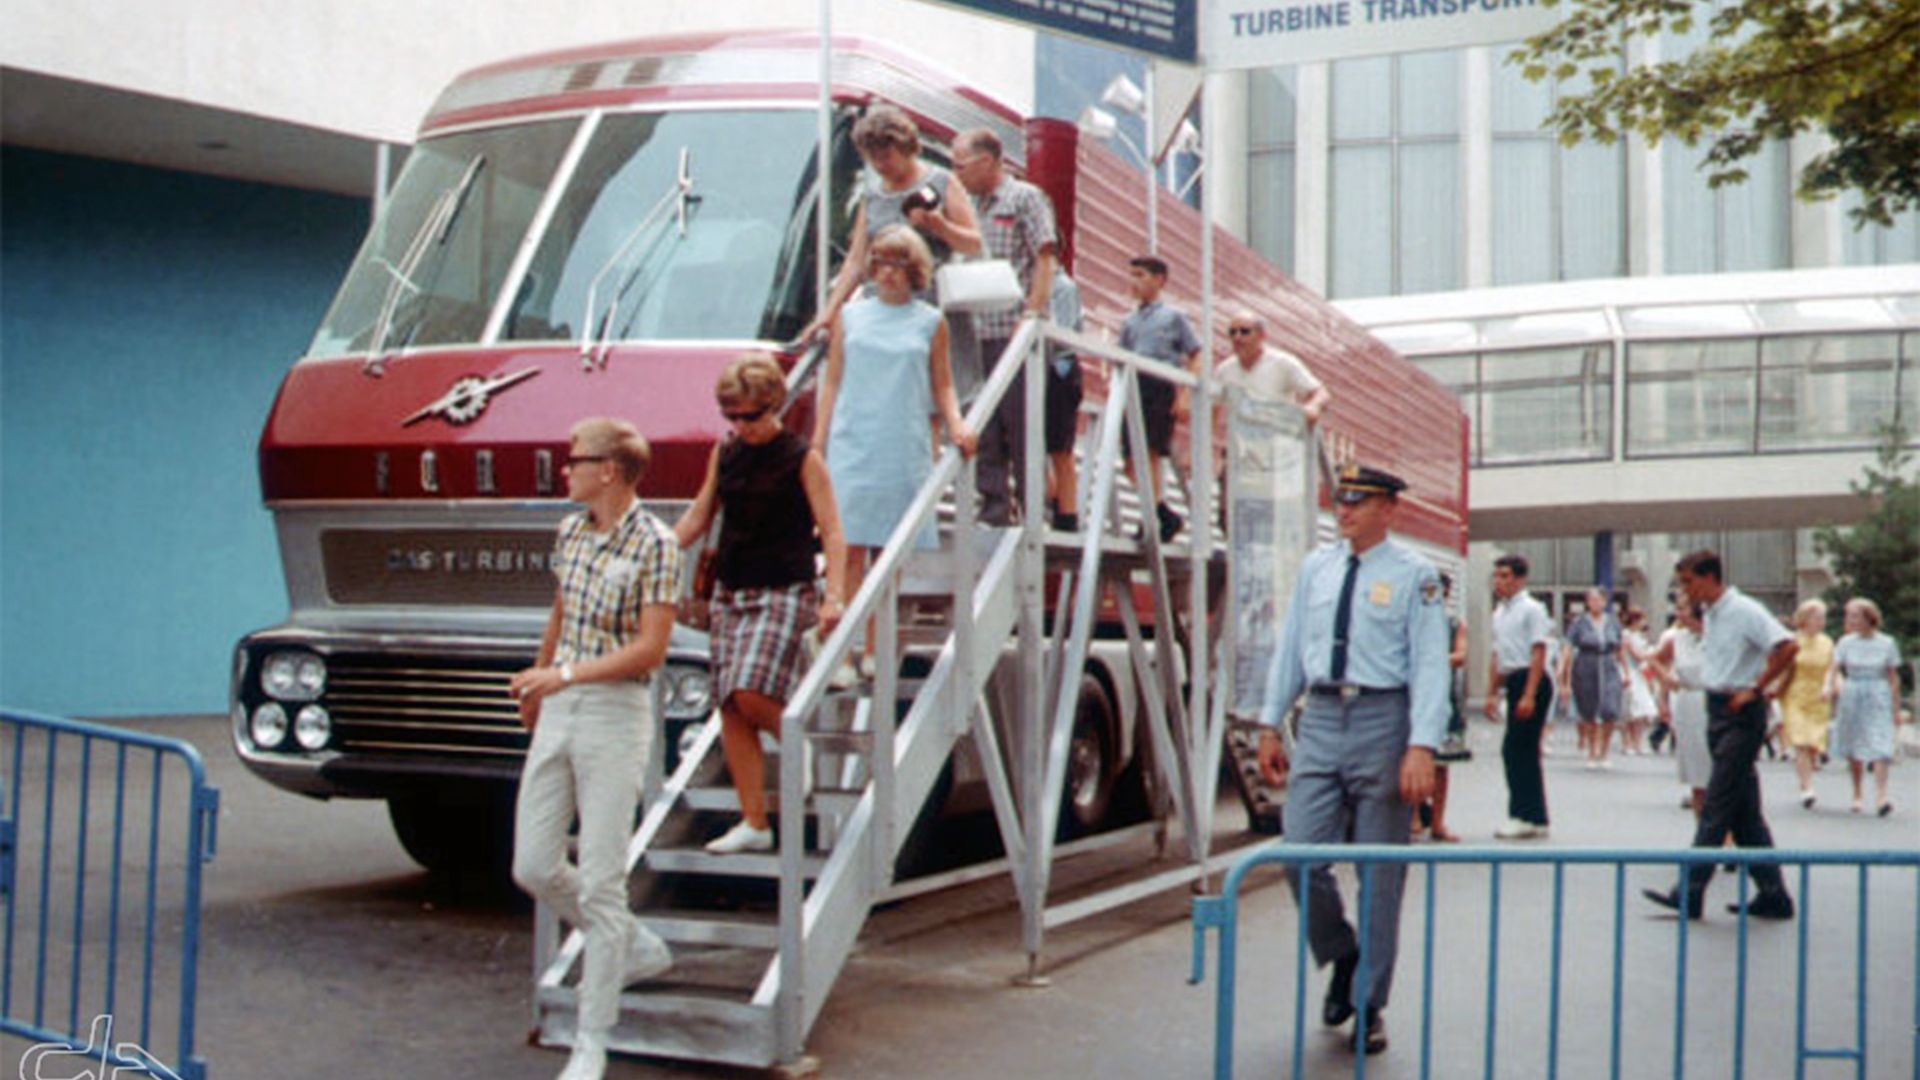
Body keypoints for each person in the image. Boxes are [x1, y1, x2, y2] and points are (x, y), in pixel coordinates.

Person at [1255, 464, 1448, 1056]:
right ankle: (1342, 954)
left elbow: (1431, 664)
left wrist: (1421, 745)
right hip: (1319, 719)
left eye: (1359, 503)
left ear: (1390, 509)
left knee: (1379, 875)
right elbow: (1292, 647)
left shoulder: (1417, 578)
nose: (1344, 512)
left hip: (1383, 721)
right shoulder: (1317, 568)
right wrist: (1268, 723)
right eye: (1341, 502)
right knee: (1299, 854)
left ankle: (1369, 1004)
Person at [509, 417, 680, 1080]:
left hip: (615, 710)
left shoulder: (658, 544)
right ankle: (633, 944)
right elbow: (562, 607)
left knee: (604, 881)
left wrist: (568, 675)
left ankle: (592, 1039)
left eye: (574, 459)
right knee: (532, 863)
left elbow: (652, 649)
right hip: (561, 703)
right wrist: (539, 675)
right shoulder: (571, 532)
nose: (565, 469)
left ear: (608, 469)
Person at [675, 354, 850, 855]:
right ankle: (754, 821)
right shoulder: (725, 453)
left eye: (750, 416)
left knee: (750, 692)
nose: (741, 426)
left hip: (785, 589)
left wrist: (833, 596)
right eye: (732, 416)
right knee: (729, 704)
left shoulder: (801, 457)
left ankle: (799, 742)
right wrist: (657, 547)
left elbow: (833, 532)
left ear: (772, 404)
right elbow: (698, 514)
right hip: (732, 592)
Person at [813, 225, 976, 671]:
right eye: (881, 263)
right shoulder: (851, 316)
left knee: (888, 552)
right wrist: (817, 441)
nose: (887, 273)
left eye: (898, 265)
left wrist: (957, 423)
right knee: (845, 547)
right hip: (853, 438)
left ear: (914, 271)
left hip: (900, 439)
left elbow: (942, 384)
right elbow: (831, 381)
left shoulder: (929, 321)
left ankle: (874, 648)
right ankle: (839, 652)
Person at [1643, 549, 1798, 922]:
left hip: (1740, 710)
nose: (1686, 590)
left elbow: (1788, 647)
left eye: (1689, 582)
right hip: (1718, 708)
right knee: (1744, 813)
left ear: (1710, 577)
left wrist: (1756, 687)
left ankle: (1690, 889)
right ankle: (1774, 893)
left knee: (1717, 802)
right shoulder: (1710, 614)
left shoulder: (1744, 610)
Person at [950, 127, 1057, 527]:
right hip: (972, 333)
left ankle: (1035, 511)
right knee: (982, 427)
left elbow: (1044, 256)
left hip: (1013, 332)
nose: (955, 174)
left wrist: (1032, 314)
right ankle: (993, 508)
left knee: (1023, 424)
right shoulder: (962, 205)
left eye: (960, 165)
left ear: (987, 161)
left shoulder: (1024, 198)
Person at [803, 104, 981, 343]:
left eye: (886, 156)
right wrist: (829, 313)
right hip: (881, 307)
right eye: (871, 158)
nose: (879, 165)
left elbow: (974, 245)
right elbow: (855, 262)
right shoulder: (872, 196)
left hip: (930, 307)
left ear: (906, 148)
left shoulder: (942, 181)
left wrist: (940, 226)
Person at [1118, 254, 1202, 543]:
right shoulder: (1128, 321)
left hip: (1159, 385)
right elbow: (1121, 355)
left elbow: (1196, 354)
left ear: (1159, 280)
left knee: (1150, 453)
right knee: (1129, 458)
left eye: (1140, 275)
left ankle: (1152, 518)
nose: (1134, 282)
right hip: (1134, 385)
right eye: (1132, 275)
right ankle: (1161, 512)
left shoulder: (1174, 316)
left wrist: (1187, 394)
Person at [1485, 554, 1555, 839]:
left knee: (1516, 748)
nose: (1499, 582)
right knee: (1521, 750)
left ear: (1519, 579)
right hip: (1512, 677)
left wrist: (1529, 694)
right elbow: (1497, 655)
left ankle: (1522, 814)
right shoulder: (1499, 612)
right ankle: (1535, 816)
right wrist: (1491, 692)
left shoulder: (1532, 609)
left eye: (1505, 576)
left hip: (1532, 678)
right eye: (1497, 576)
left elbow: (1538, 651)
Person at [1823, 597, 1904, 817]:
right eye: (1849, 616)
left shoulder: (1886, 643)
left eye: (1855, 615)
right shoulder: (1845, 642)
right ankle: (1857, 792)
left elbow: (1892, 677)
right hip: (1853, 690)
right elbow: (1834, 668)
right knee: (1854, 743)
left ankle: (1881, 795)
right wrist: (1828, 687)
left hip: (1877, 691)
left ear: (1869, 618)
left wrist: (1895, 708)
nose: (1851, 620)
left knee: (1880, 742)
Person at [1212, 309, 1332, 423]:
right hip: (1241, 443)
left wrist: (1313, 407)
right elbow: (1211, 407)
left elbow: (1321, 392)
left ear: (1262, 335)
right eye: (1232, 332)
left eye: (1244, 331)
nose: (1237, 337)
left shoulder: (1283, 363)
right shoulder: (1224, 371)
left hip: (1279, 440)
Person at [1421, 572, 1471, 843]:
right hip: (1413, 696)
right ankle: (1415, 819)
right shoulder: (1411, 620)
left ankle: (1438, 822)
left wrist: (1432, 660)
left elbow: (1461, 655)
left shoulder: (1454, 623)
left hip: (1444, 698)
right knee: (1412, 758)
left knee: (1442, 765)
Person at [1651, 601, 1712, 817]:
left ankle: (1726, 836)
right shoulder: (1677, 638)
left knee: (1718, 771)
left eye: (1683, 608)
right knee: (1697, 776)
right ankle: (1702, 832)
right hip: (1688, 700)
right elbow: (1655, 660)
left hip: (1713, 699)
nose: (1678, 613)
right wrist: (1667, 681)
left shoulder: (1717, 635)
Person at [1778, 600, 1834, 808]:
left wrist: (1829, 685)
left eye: (1823, 618)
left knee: (1813, 741)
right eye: (1817, 618)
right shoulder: (1792, 641)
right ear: (1805, 619)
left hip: (1818, 696)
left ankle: (1811, 765)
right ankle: (1806, 787)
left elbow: (1831, 667)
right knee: (1801, 741)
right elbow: (1781, 667)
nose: (1821, 622)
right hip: (1796, 694)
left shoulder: (1827, 642)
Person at [1043, 266, 1085, 532]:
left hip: (1060, 369)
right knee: (1035, 445)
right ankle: (1053, 501)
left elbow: (1064, 333)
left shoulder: (1063, 287)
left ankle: (1067, 515)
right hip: (1037, 368)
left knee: (1061, 447)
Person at [1567, 588, 1623, 769]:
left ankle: (1605, 751)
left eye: (1598, 600)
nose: (1595, 603)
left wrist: (1627, 672)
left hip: (1608, 664)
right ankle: (1592, 750)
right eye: (1591, 600)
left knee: (1610, 708)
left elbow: (1621, 647)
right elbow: (1568, 646)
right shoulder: (1579, 622)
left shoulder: (1613, 622)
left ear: (1605, 602)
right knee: (1588, 708)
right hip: (1586, 663)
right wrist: (1563, 673)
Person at [1621, 608, 1660, 756]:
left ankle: (1637, 742)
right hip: (1630, 672)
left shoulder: (1639, 636)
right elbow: (1633, 655)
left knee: (1641, 710)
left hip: (1640, 673)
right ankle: (1627, 743)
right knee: (1630, 709)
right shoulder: (1626, 635)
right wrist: (1650, 656)